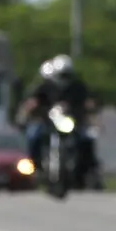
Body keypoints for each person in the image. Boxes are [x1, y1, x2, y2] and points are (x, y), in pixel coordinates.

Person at [19, 54, 99, 184]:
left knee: (87, 138)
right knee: (33, 135)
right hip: (48, 122)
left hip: (71, 121)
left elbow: (87, 101)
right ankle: (35, 165)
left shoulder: (77, 86)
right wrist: (28, 111)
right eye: (62, 74)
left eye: (67, 74)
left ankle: (89, 168)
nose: (64, 78)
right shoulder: (46, 86)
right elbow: (34, 101)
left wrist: (89, 108)